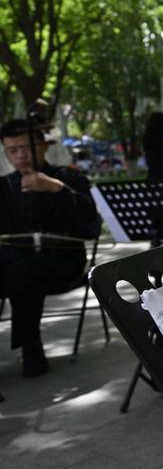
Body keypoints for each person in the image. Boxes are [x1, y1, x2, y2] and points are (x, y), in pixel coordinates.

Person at [0, 118, 99, 377]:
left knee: (23, 271)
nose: (20, 155)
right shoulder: (4, 186)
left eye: (26, 147)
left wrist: (58, 190)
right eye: (12, 150)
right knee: (16, 268)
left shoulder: (69, 178)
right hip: (14, 262)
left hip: (63, 261)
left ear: (44, 146)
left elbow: (91, 226)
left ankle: (31, 347)